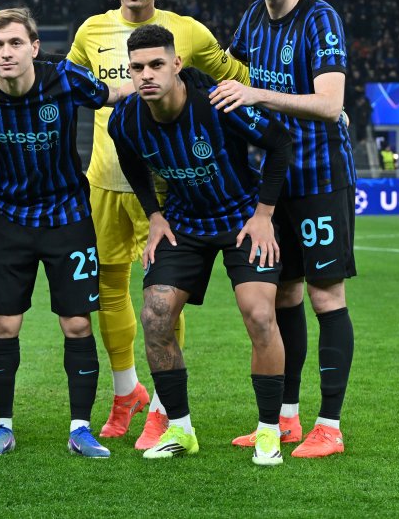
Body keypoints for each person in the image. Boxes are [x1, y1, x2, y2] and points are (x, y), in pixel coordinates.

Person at [67, 0, 249, 449]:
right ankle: (127, 391)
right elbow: (69, 86)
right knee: (107, 290)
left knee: (164, 299)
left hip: (168, 191)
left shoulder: (188, 31)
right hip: (104, 177)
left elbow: (237, 79)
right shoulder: (89, 31)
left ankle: (166, 410)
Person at [109, 24, 292, 465]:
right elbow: (132, 164)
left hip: (241, 218)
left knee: (260, 314)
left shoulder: (218, 102)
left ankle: (269, 431)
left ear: (177, 64)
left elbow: (280, 142)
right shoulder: (125, 119)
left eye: (156, 64)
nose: (147, 74)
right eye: (137, 68)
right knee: (155, 318)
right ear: (129, 73)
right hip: (184, 223)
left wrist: (264, 215)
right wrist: (154, 215)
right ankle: (180, 428)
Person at [0, 8, 129, 458]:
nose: (6, 53)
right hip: (7, 220)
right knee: (2, 323)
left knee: (75, 323)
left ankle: (80, 428)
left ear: (34, 47)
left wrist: (170, 85)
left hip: (68, 216)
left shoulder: (65, 78)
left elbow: (113, 92)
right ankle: (2, 426)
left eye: (15, 43)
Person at [211, 0, 357, 458]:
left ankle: (331, 426)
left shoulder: (321, 20)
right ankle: (289, 418)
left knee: (325, 295)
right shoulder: (252, 20)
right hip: (272, 187)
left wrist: (257, 94)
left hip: (320, 180)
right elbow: (230, 84)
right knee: (286, 294)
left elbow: (329, 105)